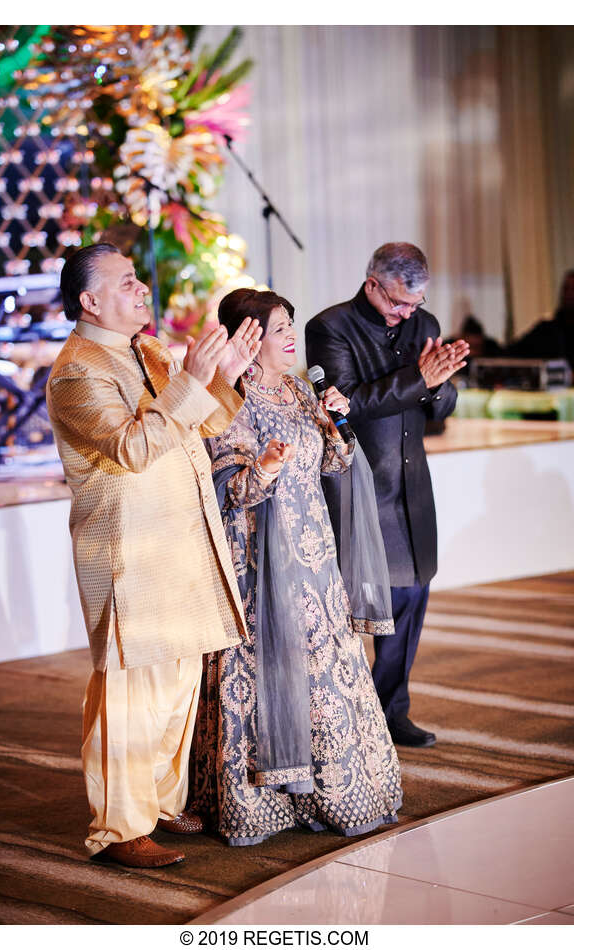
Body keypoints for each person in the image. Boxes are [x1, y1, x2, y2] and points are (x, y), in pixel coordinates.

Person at [46, 243, 262, 868]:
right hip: (127, 548)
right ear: (89, 301)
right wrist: (194, 380)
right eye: (126, 283)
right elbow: (135, 448)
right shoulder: (77, 372)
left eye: (138, 280)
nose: (142, 290)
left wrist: (225, 375)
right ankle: (118, 828)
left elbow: (206, 424)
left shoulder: (147, 350)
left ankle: (160, 802)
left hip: (179, 536)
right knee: (130, 690)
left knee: (177, 679)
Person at [191, 288, 402, 846]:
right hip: (259, 560)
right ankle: (262, 803)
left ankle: (333, 788)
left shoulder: (300, 389)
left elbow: (335, 462)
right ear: (249, 339)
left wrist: (339, 421)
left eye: (290, 325)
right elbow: (227, 491)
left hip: (315, 554)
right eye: (279, 328)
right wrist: (262, 467)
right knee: (270, 666)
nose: (291, 337)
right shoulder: (228, 401)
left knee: (326, 666)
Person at [305, 243, 469, 748]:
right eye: (399, 303)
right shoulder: (329, 327)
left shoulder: (424, 324)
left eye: (416, 304)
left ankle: (391, 710)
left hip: (410, 483)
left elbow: (442, 408)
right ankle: (346, 717)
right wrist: (420, 378)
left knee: (413, 596)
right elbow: (344, 407)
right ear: (372, 284)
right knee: (356, 604)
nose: (408, 313)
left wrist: (438, 387)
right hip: (358, 480)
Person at [506, 269, 574, 369]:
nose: (569, 294)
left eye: (574, 289)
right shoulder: (547, 330)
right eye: (566, 289)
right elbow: (513, 353)